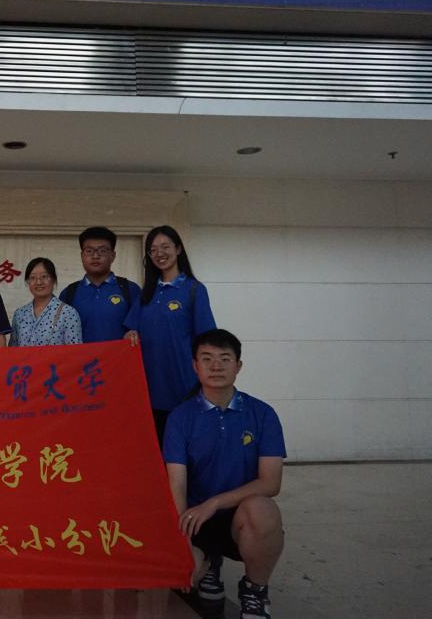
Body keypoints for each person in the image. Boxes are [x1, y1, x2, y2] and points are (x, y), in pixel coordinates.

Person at [163, 329, 285, 619]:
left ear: (238, 366)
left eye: (224, 359)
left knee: (263, 511)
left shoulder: (262, 414)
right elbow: (176, 483)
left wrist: (215, 502)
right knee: (182, 573)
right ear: (195, 366)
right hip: (195, 520)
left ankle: (255, 591)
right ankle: (208, 563)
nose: (216, 366)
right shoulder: (180, 417)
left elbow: (271, 482)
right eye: (207, 359)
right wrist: (181, 543)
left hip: (239, 517)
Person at [124, 226, 217, 443]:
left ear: (178, 249)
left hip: (184, 388)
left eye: (165, 247)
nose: (160, 253)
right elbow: (130, 329)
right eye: (153, 250)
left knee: (184, 449)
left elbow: (207, 341)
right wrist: (130, 333)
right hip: (149, 389)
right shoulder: (146, 293)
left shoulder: (194, 290)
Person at [59, 226, 140, 343]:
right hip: (82, 356)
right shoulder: (69, 293)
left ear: (113, 255)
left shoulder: (130, 290)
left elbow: (143, 328)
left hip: (119, 355)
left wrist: (134, 333)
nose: (95, 256)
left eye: (102, 251)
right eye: (89, 251)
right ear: (82, 256)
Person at [9, 257, 82, 346]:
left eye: (44, 276)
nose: (39, 282)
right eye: (33, 277)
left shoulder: (68, 313)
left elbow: (75, 352)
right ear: (28, 281)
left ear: (53, 279)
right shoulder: (19, 314)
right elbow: (13, 350)